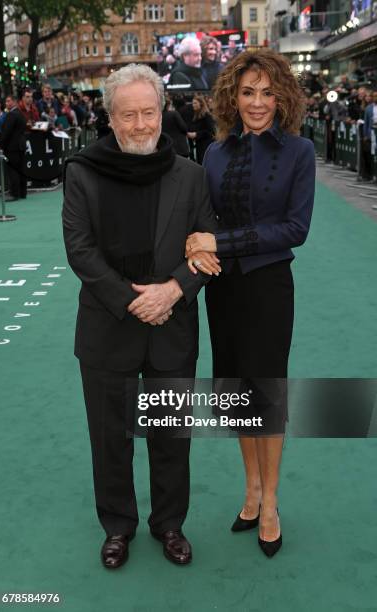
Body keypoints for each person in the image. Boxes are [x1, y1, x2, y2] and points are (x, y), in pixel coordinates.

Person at [62, 63, 219, 570]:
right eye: (128, 115)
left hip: (172, 325)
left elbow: (206, 248)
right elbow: (80, 250)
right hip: (108, 327)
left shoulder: (191, 175)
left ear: (161, 111)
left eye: (149, 112)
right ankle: (117, 527)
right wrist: (135, 300)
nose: (140, 124)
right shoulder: (83, 171)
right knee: (109, 438)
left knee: (170, 435)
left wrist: (172, 290)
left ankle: (169, 524)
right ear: (109, 118)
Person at [185, 48, 315, 557]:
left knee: (266, 392)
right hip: (224, 289)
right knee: (235, 392)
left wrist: (219, 242)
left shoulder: (300, 152)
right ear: (231, 97)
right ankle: (251, 490)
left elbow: (294, 229)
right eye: (247, 92)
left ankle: (272, 503)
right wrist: (198, 241)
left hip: (267, 286)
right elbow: (206, 217)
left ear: (282, 97)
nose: (257, 103)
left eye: (267, 93)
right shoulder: (215, 152)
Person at [0, 95, 27, 201]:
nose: (6, 103)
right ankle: (22, 193)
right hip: (21, 146)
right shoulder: (20, 113)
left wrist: (0, 144)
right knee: (21, 169)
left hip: (12, 147)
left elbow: (7, 132)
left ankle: (14, 194)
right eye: (6, 101)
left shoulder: (11, 114)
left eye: (8, 101)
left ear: (14, 102)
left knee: (13, 170)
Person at [187, 94, 215, 164]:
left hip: (206, 146)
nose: (193, 105)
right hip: (199, 145)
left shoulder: (206, 115)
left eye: (195, 103)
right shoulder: (195, 115)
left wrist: (196, 134)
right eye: (193, 103)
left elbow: (211, 131)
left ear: (201, 104)